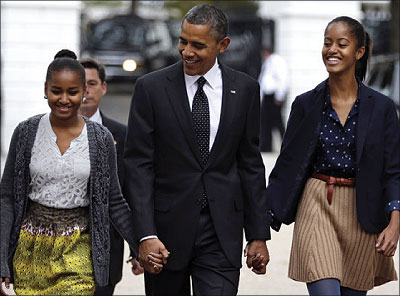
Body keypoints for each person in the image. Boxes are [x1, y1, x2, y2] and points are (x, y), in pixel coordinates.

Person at [123, 4, 271, 296]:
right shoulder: (150, 89)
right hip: (164, 235)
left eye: (198, 45)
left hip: (221, 233)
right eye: (183, 41)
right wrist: (145, 234)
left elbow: (250, 164)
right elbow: (138, 166)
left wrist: (257, 234)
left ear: (223, 45)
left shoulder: (246, 90)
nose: (186, 51)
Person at [265, 16, 399, 295]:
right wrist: (260, 227)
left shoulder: (382, 108)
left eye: (341, 43)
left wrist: (395, 220)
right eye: (327, 43)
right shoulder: (305, 104)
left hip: (364, 209)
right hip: (317, 203)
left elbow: (393, 169)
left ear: (359, 52)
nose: (332, 49)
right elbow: (287, 165)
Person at [0, 49, 151, 296]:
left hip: (78, 247)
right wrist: (1, 259)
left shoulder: (101, 139)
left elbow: (114, 201)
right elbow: (7, 198)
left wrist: (140, 245)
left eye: (72, 92)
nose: (64, 99)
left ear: (83, 92)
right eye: (56, 91)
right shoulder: (26, 132)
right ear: (45, 89)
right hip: (30, 250)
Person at [78, 58, 144, 296]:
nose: (86, 90)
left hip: (106, 252)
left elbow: (129, 194)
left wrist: (137, 247)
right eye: (80, 83)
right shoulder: (46, 132)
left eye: (92, 83)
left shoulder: (121, 135)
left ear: (103, 87)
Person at [258, 46, 289, 152]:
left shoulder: (277, 61)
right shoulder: (267, 62)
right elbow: (263, 80)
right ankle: (266, 146)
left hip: (274, 96)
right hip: (267, 96)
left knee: (277, 122)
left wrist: (280, 96)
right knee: (266, 122)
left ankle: (286, 145)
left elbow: (282, 78)